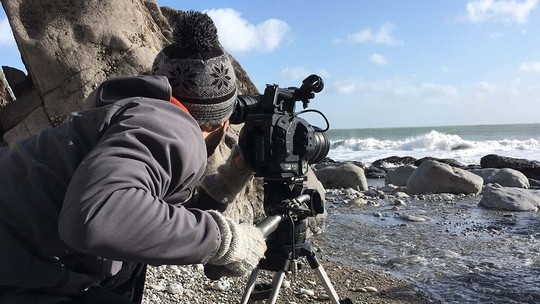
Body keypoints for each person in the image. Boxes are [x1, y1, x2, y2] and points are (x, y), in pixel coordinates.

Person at [0, 11, 266, 304]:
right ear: (219, 123)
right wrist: (224, 241)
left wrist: (227, 181)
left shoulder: (129, 113)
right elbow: (97, 216)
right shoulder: (174, 126)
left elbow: (150, 215)